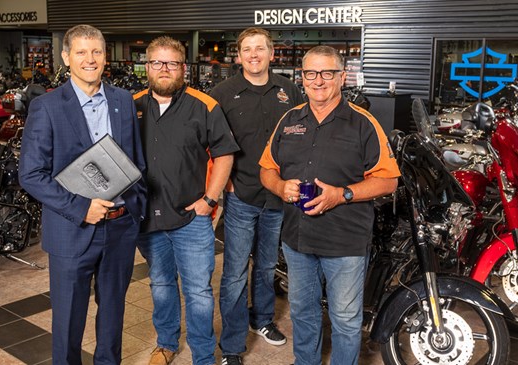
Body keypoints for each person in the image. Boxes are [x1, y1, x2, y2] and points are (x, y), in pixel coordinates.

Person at [259, 45, 401, 365]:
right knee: (303, 313)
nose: (318, 81)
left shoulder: (364, 123)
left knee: (346, 320)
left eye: (327, 73)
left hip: (345, 242)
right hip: (298, 240)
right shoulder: (290, 119)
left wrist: (342, 194)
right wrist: (280, 186)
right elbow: (267, 168)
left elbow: (388, 180)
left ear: (342, 77)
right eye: (311, 73)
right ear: (303, 78)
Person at [19, 24, 147, 365]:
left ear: (105, 56)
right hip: (71, 229)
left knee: (112, 316)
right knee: (68, 322)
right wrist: (80, 208)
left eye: (96, 52)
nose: (89, 59)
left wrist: (138, 206)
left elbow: (136, 160)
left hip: (120, 228)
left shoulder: (122, 99)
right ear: (66, 57)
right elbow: (30, 174)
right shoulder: (47, 106)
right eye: (81, 52)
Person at [134, 36, 239, 365]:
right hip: (147, 219)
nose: (164, 69)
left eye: (172, 63)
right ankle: (166, 344)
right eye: (157, 63)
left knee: (198, 293)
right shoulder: (131, 105)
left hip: (191, 218)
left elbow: (224, 155)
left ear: (183, 68)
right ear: (147, 67)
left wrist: (209, 199)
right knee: (161, 285)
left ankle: (204, 356)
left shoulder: (204, 105)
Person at [209, 27, 304, 365]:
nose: (253, 55)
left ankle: (261, 319)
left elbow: (301, 138)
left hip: (278, 197)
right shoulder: (222, 93)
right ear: (238, 56)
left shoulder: (290, 91)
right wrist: (223, 185)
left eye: (260, 49)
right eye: (247, 49)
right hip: (241, 195)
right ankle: (232, 346)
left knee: (265, 266)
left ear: (271, 53)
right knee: (234, 271)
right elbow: (210, 144)